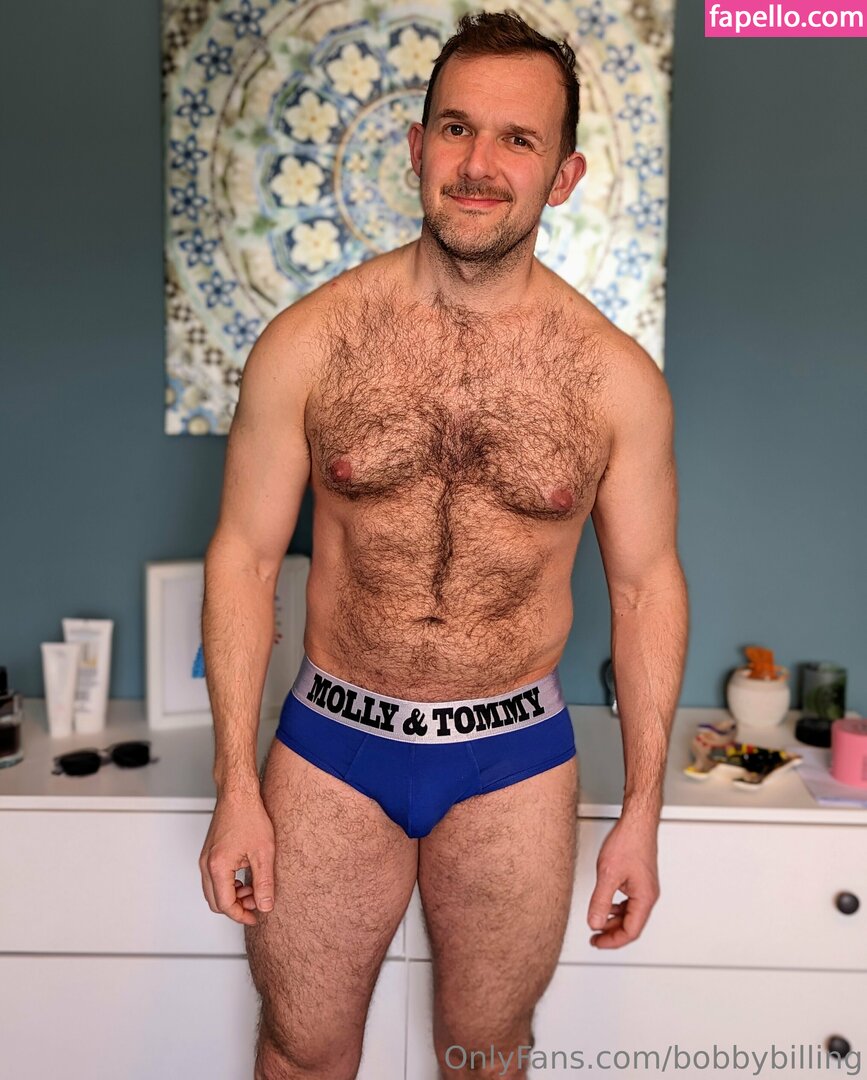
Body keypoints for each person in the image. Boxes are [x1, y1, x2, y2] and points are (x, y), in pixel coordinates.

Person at [198, 9, 689, 1079]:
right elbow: (242, 558)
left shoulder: (615, 382)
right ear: (418, 147)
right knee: (301, 1050)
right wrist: (235, 782)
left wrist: (642, 816)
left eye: (518, 139)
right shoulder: (310, 343)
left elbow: (646, 589)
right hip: (330, 747)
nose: (478, 164)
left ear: (563, 175)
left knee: (486, 1055)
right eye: (457, 129)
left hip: (513, 760)